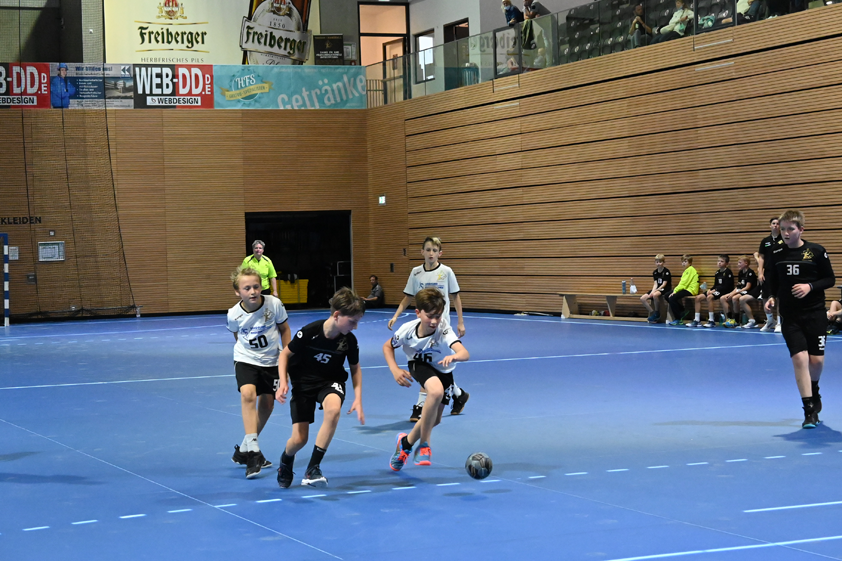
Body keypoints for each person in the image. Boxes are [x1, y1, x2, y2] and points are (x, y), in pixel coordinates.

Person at [275, 288, 365, 488]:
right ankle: (286, 459)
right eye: (352, 321)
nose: (355, 327)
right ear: (337, 315)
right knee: (299, 439)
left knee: (333, 410)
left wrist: (358, 398)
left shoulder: (349, 340)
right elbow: (284, 355)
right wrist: (283, 381)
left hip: (330, 381)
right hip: (303, 384)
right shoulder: (310, 332)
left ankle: (312, 468)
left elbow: (355, 368)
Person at [385, 288, 470, 471]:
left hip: (444, 370)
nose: (434, 321)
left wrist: (454, 356)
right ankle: (424, 445)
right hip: (419, 364)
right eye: (430, 316)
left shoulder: (443, 329)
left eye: (438, 316)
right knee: (435, 391)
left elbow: (464, 353)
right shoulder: (407, 330)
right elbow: (387, 346)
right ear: (418, 313)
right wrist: (394, 369)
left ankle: (405, 444)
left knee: (434, 419)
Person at [764, 210, 835, 429]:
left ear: (801, 229)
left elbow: (830, 279)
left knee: (816, 361)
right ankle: (809, 410)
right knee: (800, 359)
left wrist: (810, 286)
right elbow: (771, 280)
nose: (785, 233)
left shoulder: (816, 251)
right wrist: (771, 297)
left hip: (815, 314)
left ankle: (814, 389)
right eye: (783, 229)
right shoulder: (776, 252)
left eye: (790, 229)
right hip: (790, 315)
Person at [388, 237, 469, 421]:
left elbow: (455, 297)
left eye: (434, 250)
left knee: (432, 364)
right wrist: (396, 315)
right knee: (432, 365)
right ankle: (459, 394)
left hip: (440, 326)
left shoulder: (446, 272)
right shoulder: (416, 273)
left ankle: (420, 406)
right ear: (422, 252)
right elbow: (408, 297)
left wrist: (460, 322)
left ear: (440, 253)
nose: (431, 253)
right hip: (424, 324)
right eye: (428, 249)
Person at [227, 267, 291, 479]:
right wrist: (249, 352)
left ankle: (243, 450)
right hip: (245, 359)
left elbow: (284, 329)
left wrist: (287, 358)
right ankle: (253, 451)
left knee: (267, 405)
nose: (253, 291)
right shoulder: (233, 314)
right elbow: (237, 336)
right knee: (248, 394)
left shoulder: (274, 304)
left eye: (256, 286)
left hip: (272, 361)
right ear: (238, 292)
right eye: (247, 288)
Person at [755, 217, 786, 332]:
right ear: (770, 226)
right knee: (765, 296)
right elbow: (761, 257)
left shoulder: (784, 239)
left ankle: (779, 322)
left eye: (778, 223)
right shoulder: (765, 241)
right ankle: (770, 320)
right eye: (773, 223)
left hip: (780, 272)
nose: (775, 225)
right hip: (768, 272)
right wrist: (760, 272)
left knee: (779, 297)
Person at [690, 255, 733, 327]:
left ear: (726, 263)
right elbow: (715, 285)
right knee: (698, 298)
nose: (719, 263)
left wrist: (714, 291)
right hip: (716, 290)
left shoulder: (728, 272)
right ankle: (697, 320)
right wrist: (710, 290)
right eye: (718, 261)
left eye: (722, 261)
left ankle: (711, 320)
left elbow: (726, 286)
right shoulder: (717, 272)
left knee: (709, 297)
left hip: (724, 291)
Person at [667, 255, 699, 325]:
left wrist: (675, 291)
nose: (683, 263)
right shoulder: (686, 270)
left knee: (672, 298)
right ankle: (682, 311)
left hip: (691, 290)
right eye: (682, 262)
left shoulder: (690, 270)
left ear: (690, 263)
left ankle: (678, 319)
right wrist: (675, 291)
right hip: (686, 288)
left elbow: (684, 284)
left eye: (685, 261)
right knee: (666, 295)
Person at [731, 256, 761, 328]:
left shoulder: (750, 272)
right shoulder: (741, 272)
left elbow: (748, 287)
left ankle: (747, 320)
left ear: (746, 263)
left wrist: (735, 293)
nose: (738, 264)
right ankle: (736, 320)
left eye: (740, 263)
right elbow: (738, 286)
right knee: (731, 298)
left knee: (735, 298)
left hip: (750, 291)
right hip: (743, 291)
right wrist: (731, 293)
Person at [641, 254, 672, 323]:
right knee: (643, 298)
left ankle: (657, 312)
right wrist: (652, 291)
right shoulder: (655, 272)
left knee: (655, 295)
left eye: (660, 262)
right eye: (657, 262)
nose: (658, 264)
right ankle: (653, 313)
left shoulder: (666, 272)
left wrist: (655, 291)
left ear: (663, 262)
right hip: (657, 288)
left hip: (665, 288)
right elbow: (655, 284)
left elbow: (664, 284)